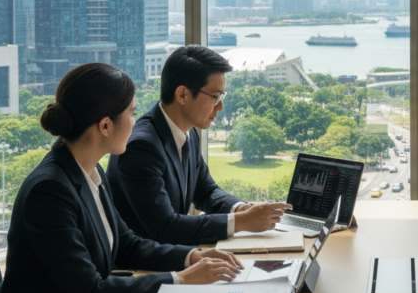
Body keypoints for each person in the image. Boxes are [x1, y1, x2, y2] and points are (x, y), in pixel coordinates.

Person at [0, 63, 242, 293]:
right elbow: (89, 292)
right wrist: (180, 280)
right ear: (106, 125)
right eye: (132, 113)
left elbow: (127, 244)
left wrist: (192, 257)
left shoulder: (89, 171)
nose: (137, 123)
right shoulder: (49, 192)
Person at [107, 45, 290, 246]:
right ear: (182, 95)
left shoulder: (189, 132)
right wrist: (242, 221)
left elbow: (206, 191)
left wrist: (241, 209)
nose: (220, 106)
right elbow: (164, 228)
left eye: (222, 97)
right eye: (215, 96)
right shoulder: (141, 147)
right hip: (142, 270)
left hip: (176, 257)